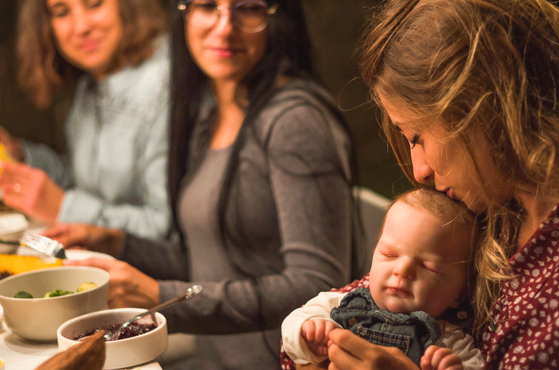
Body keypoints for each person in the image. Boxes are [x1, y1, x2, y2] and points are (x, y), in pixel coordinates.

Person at [283, 0, 559, 369]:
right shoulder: (471, 219)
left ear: (483, 110)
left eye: (417, 136)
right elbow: (339, 319)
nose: (419, 171)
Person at [42, 0, 356, 368]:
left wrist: (160, 295)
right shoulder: (212, 111)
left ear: (278, 15)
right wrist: (119, 242)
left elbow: (316, 285)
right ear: (185, 14)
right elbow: (214, 261)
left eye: (247, 8)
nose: (224, 27)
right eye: (208, 6)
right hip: (212, 356)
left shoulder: (294, 122)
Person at [0, 0, 172, 239]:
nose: (81, 27)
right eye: (61, 13)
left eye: (94, 4)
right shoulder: (89, 88)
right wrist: (20, 155)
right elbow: (80, 184)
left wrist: (65, 208)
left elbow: (166, 228)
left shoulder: (167, 83)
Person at [282, 188, 484, 370]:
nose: (402, 270)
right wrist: (308, 331)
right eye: (389, 254)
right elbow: (293, 325)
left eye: (428, 267)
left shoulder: (450, 340)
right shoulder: (342, 302)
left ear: (460, 294)